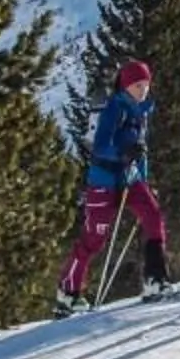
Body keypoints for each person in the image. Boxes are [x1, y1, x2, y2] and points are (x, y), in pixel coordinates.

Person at [56, 59, 172, 312]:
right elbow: (100, 146)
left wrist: (143, 179)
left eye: (146, 85)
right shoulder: (114, 108)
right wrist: (123, 153)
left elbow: (141, 151)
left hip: (130, 179)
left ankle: (155, 278)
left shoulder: (141, 112)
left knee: (153, 217)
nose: (144, 90)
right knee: (94, 239)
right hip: (104, 181)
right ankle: (68, 292)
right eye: (138, 85)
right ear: (127, 85)